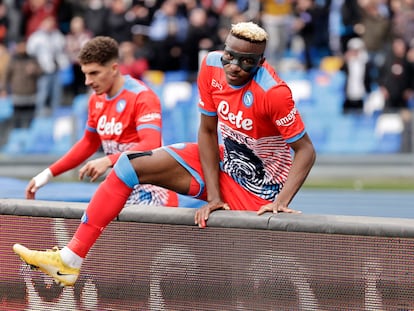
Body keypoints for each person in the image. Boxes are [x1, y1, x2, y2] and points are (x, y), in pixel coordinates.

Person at [13, 22, 316, 287]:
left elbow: (305, 151)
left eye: (247, 62)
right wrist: (214, 196)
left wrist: (280, 203)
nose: (235, 66)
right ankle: (70, 259)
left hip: (257, 194)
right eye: (230, 56)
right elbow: (208, 131)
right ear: (222, 50)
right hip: (225, 165)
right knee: (128, 166)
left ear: (260, 62)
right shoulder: (210, 67)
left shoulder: (273, 93)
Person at [24, 35, 179, 207]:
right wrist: (48, 174)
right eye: (85, 74)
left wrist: (108, 160)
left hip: (155, 194)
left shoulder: (142, 96)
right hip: (124, 191)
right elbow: (89, 143)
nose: (88, 81)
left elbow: (150, 144)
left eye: (94, 73)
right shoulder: (96, 100)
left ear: (114, 68)